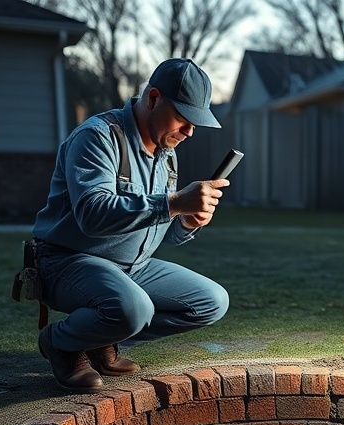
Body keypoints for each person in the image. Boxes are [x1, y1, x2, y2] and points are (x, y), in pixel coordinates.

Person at [31, 58, 230, 392]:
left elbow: (160, 231)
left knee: (211, 301)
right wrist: (175, 203)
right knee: (134, 307)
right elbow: (93, 214)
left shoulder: (167, 155)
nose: (189, 132)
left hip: (132, 268)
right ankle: (62, 343)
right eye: (183, 118)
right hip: (68, 261)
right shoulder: (98, 137)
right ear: (153, 98)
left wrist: (188, 221)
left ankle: (101, 335)